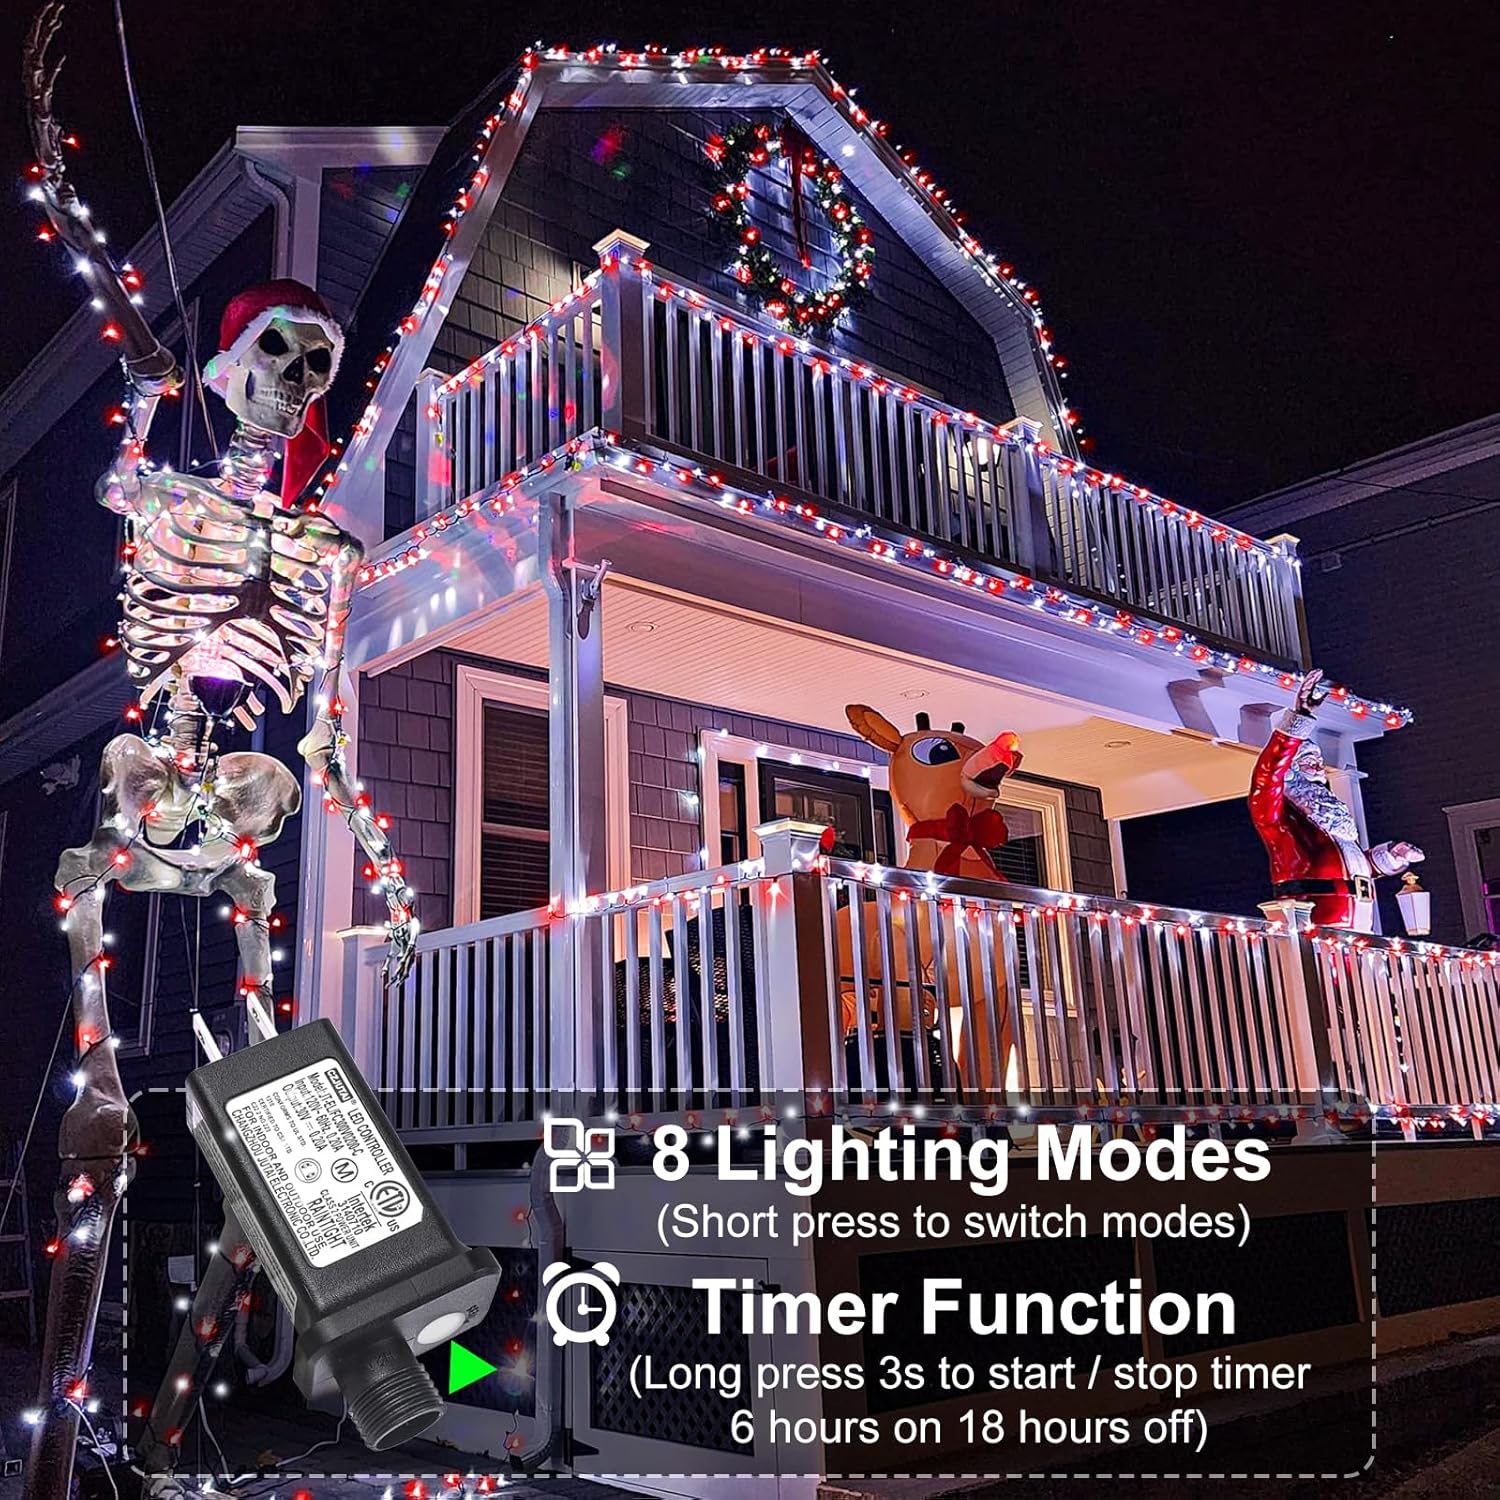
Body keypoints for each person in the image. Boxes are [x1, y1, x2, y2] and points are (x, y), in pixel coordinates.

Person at [1248, 669, 1423, 932]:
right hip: (1316, 923)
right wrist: (1300, 717)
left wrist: (1389, 857)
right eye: (1309, 762)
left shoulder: (1329, 817)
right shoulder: (1279, 815)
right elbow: (1267, 775)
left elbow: (1346, 866)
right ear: (1291, 769)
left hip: (1360, 922)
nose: (1319, 768)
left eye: (1319, 762)